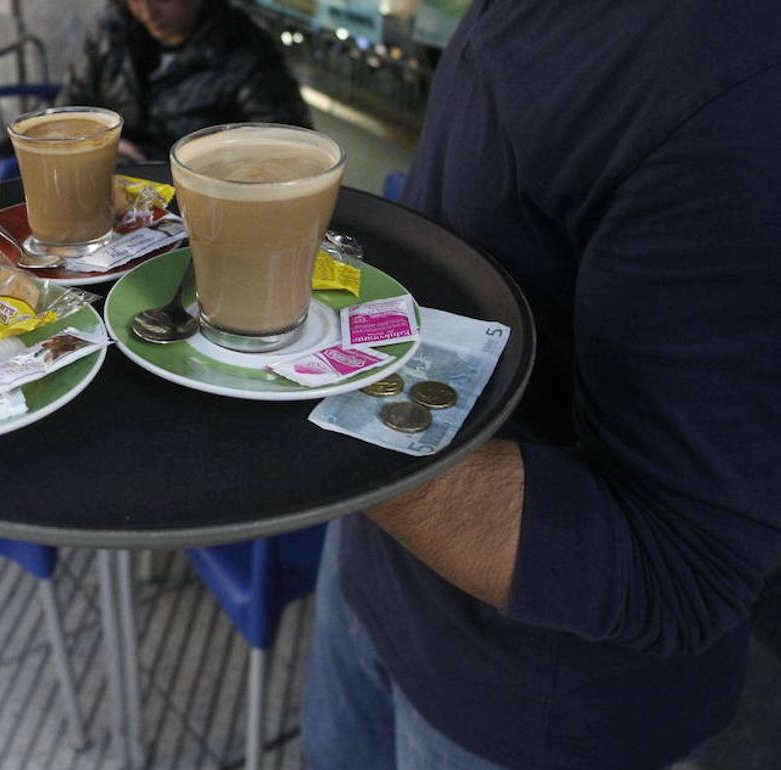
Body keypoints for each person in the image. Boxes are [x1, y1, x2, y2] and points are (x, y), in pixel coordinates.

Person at [302, 2, 781, 770]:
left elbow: (683, 560)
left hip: (526, 711)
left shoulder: (732, 87)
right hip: (372, 579)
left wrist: (287, 415)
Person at [60, 0, 311, 162]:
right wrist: (102, 143)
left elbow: (290, 147)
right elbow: (70, 107)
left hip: (192, 197)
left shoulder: (244, 49)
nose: (148, 12)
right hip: (110, 176)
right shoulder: (113, 27)